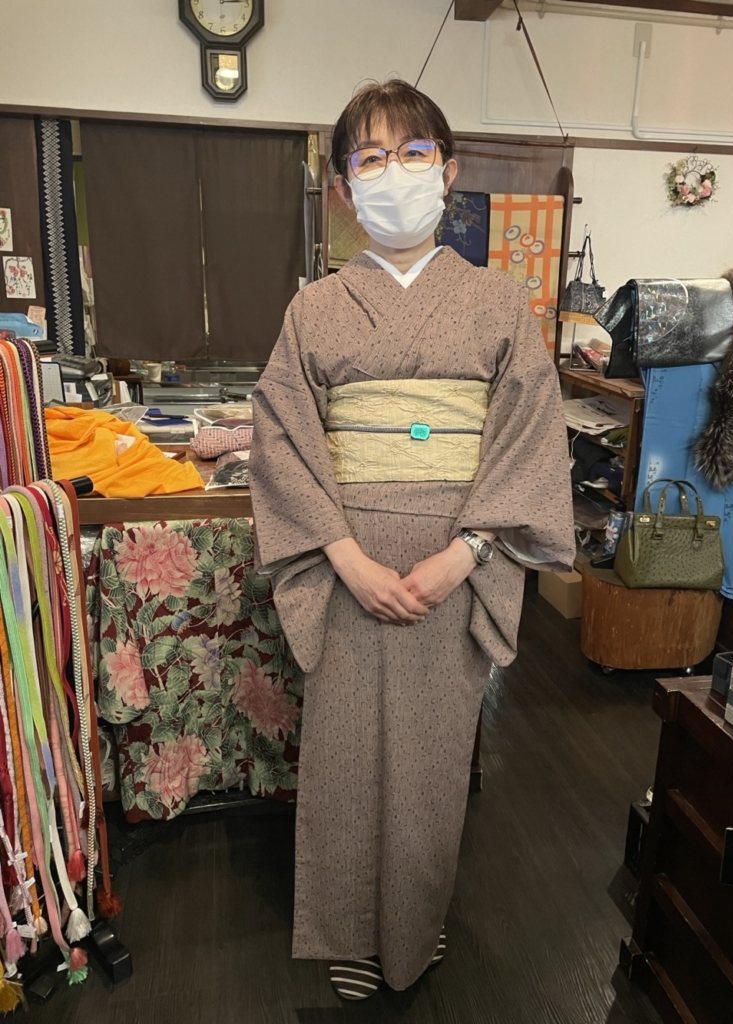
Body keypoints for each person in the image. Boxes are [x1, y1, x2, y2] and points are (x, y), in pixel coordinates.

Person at [249, 78, 574, 1000]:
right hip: (347, 567)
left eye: (414, 153)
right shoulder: (314, 309)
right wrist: (344, 558)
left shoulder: (499, 304)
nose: (396, 173)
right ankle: (352, 933)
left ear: (448, 170)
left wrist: (467, 553)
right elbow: (282, 441)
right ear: (345, 190)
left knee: (432, 767)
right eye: (372, 158)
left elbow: (528, 437)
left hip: (454, 571)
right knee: (347, 763)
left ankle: (413, 927)